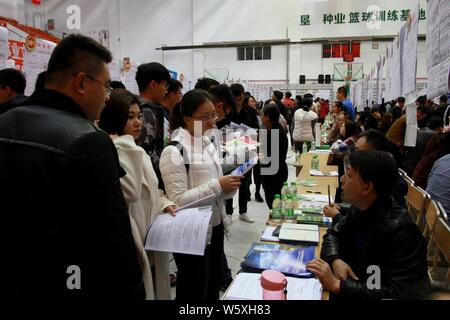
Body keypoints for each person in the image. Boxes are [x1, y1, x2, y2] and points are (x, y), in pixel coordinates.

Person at [0, 34, 144, 298]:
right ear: (81, 82)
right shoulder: (89, 141)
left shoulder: (5, 121)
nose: (106, 98)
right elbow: (112, 240)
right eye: (106, 87)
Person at [307, 151, 430, 300]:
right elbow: (333, 233)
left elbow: (399, 294)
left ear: (367, 187)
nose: (342, 179)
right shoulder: (361, 208)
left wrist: (338, 286)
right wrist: (335, 259)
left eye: (349, 175)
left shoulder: (402, 231)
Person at [160, 89, 242, 300]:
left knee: (212, 285)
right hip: (191, 233)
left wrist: (228, 188)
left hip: (214, 227)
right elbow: (178, 201)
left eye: (213, 115)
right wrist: (217, 185)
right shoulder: (175, 151)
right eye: (205, 117)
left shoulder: (206, 144)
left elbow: (216, 190)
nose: (212, 122)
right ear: (187, 118)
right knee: (194, 291)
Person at [98, 90, 177, 299]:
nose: (138, 123)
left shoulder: (137, 151)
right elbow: (132, 192)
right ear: (115, 118)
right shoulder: (114, 150)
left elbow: (151, 188)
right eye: (130, 117)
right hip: (130, 243)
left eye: (139, 117)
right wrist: (124, 143)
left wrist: (164, 202)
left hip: (151, 237)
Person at [324, 129, 408, 225]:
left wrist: (337, 217)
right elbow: (365, 215)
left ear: (375, 154)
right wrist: (342, 210)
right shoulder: (369, 177)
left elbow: (370, 226)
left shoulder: (390, 184)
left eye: (358, 151)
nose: (353, 154)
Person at [135, 62, 171, 190]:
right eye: (165, 86)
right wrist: (165, 172)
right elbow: (147, 149)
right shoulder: (146, 110)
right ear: (153, 84)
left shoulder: (137, 105)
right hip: (148, 178)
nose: (166, 91)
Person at [260, 103, 289, 209]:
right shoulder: (272, 129)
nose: (262, 118)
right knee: (274, 204)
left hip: (274, 175)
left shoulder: (274, 133)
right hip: (274, 172)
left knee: (274, 204)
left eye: (263, 115)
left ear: (268, 117)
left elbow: (267, 157)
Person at [161, 78, 183, 146]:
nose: (181, 97)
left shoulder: (172, 113)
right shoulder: (161, 115)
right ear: (172, 95)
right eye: (180, 93)